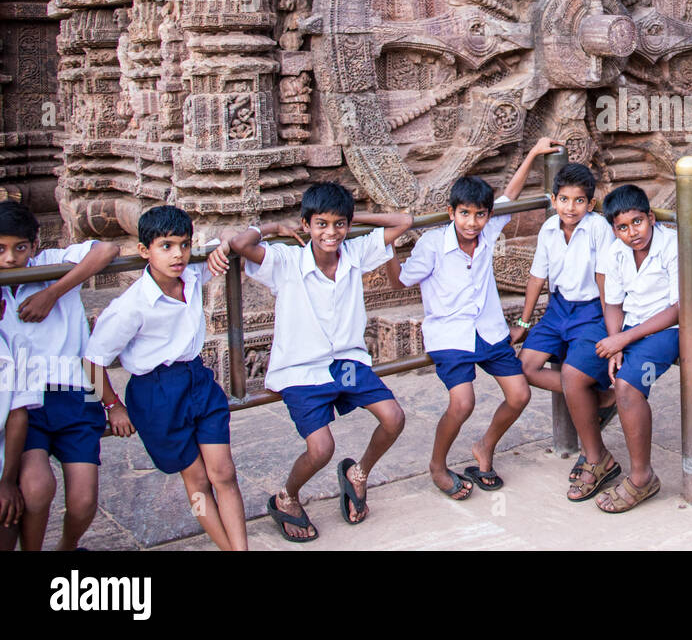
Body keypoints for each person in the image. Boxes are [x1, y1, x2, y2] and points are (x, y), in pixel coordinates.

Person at [220, 184, 412, 541]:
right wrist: (273, 228)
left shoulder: (353, 251)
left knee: (393, 417)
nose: (331, 233)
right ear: (306, 224)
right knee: (321, 449)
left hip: (346, 363)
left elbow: (404, 220)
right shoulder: (287, 260)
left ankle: (358, 473)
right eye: (321, 224)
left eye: (339, 224)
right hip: (300, 369)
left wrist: (355, 219)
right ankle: (286, 497)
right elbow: (239, 245)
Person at [389, 138, 555, 501]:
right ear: (452, 213)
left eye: (480, 214)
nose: (472, 222)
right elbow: (401, 279)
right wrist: (384, 243)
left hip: (490, 331)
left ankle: (485, 446)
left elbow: (509, 196)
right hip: (450, 336)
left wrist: (532, 153)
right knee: (463, 403)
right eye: (464, 213)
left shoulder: (488, 230)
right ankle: (437, 465)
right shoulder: (432, 244)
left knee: (519, 395)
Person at [86, 205, 247, 550]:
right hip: (156, 393)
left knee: (224, 472)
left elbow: (235, 237)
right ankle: (226, 547)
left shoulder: (190, 275)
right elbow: (92, 360)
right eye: (167, 246)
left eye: (185, 245)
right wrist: (113, 406)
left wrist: (221, 245)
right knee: (198, 480)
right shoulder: (131, 307)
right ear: (145, 251)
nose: (178, 255)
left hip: (198, 382)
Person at [0, 200, 123, 551]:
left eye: (19, 248)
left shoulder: (50, 265)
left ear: (34, 246)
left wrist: (52, 293)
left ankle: (66, 548)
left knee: (84, 501)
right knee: (37, 488)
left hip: (73, 392)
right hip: (23, 402)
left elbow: (107, 249)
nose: (10, 258)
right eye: (1, 249)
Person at [512, 161, 618, 493]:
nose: (571, 207)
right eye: (564, 199)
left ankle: (596, 457)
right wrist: (524, 322)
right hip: (558, 310)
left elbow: (604, 279)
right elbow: (537, 276)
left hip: (591, 311)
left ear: (590, 203)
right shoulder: (548, 229)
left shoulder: (599, 228)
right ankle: (599, 398)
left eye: (579, 201)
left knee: (573, 376)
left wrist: (612, 332)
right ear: (553, 199)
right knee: (525, 367)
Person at [582, 184, 679, 513]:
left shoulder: (672, 245)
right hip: (629, 329)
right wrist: (616, 341)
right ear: (614, 229)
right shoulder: (616, 252)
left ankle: (642, 478)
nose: (632, 232)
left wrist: (623, 339)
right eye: (622, 227)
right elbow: (613, 304)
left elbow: (680, 308)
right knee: (580, 369)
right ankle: (596, 457)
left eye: (637, 222)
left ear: (651, 217)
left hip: (669, 331)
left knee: (627, 386)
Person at [0, 329, 40, 551]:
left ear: (2, 310)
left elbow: (18, 414)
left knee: (8, 509)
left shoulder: (17, 343)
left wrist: (7, 481)